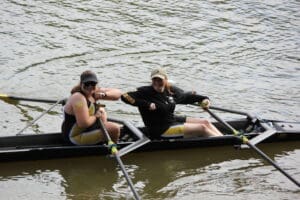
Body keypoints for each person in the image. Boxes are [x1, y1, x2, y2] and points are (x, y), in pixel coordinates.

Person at [121, 68, 223, 139]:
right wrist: (146, 104)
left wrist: (204, 99)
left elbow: (185, 97)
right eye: (154, 79)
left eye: (159, 79)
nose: (157, 82)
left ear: (165, 80)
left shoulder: (169, 90)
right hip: (160, 130)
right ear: (151, 80)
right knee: (202, 128)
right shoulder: (145, 92)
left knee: (205, 122)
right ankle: (225, 143)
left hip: (172, 120)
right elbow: (125, 96)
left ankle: (223, 138)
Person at [62, 70, 122, 145]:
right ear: (81, 84)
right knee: (115, 128)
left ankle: (104, 140)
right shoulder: (78, 98)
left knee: (101, 110)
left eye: (93, 83)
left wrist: (103, 95)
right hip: (74, 137)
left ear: (96, 84)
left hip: (86, 130)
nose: (90, 86)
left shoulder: (94, 92)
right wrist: (95, 116)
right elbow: (83, 123)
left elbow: (118, 94)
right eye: (87, 84)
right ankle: (113, 148)